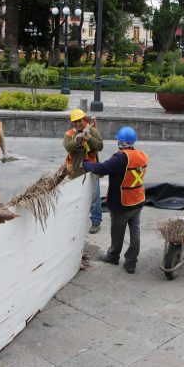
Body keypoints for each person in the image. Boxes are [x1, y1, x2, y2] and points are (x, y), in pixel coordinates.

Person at [83, 126, 148, 274]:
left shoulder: (120, 158)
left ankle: (113, 256)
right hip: (138, 200)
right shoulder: (142, 155)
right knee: (135, 233)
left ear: (121, 142)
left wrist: (86, 164)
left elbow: (101, 168)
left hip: (122, 202)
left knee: (117, 231)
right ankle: (131, 262)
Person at [63, 108, 104, 234]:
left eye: (79, 121)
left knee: (95, 197)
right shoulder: (69, 134)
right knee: (76, 197)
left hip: (92, 169)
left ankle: (96, 222)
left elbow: (100, 146)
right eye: (74, 122)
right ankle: (77, 221)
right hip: (75, 171)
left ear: (84, 120)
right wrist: (77, 140)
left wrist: (89, 137)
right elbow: (67, 146)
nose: (77, 124)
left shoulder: (93, 131)